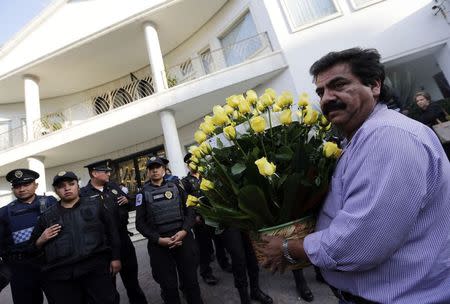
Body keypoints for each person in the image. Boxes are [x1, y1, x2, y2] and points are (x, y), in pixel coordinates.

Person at [260, 48, 450, 303]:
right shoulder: (359, 138)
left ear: (374, 85)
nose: (327, 98)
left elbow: (361, 241)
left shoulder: (389, 137)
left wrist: (288, 248)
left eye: (338, 85)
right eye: (321, 91)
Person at [29, 171, 121, 304]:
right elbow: (31, 248)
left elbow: (112, 232)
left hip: (95, 269)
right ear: (56, 190)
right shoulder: (46, 217)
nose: (67, 188)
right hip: (64, 276)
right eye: (61, 186)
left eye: (71, 184)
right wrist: (40, 240)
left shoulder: (96, 205)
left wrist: (116, 258)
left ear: (78, 186)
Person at [136, 156, 203, 304]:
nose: (155, 170)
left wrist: (184, 231)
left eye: (158, 167)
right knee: (169, 287)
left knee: (191, 282)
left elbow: (190, 211)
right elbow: (140, 223)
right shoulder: (142, 193)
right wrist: (158, 240)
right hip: (160, 243)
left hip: (183, 238)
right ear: (147, 172)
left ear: (164, 169)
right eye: (151, 168)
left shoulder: (177, 187)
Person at [80, 159, 147, 304]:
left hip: (123, 240)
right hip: (103, 245)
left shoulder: (113, 186)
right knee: (108, 289)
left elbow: (129, 202)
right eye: (105, 171)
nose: (109, 173)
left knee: (133, 283)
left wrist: (127, 200)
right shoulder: (83, 194)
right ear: (94, 173)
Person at [0, 169, 57, 304]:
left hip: (51, 263)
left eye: (26, 184)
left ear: (35, 185)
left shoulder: (50, 202)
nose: (22, 189)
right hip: (21, 269)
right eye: (17, 186)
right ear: (13, 189)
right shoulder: (4, 212)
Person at [181, 153, 219, 285]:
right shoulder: (185, 182)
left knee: (219, 241)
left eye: (195, 160)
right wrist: (194, 216)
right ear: (187, 165)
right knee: (204, 247)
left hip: (214, 214)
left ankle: (224, 263)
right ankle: (206, 273)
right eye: (190, 162)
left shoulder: (205, 174)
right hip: (200, 217)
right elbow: (186, 201)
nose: (193, 163)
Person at [414, 91, 450, 159]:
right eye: (417, 101)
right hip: (439, 139)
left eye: (421, 99)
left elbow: (429, 117)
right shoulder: (422, 111)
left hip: (445, 136)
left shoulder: (434, 106)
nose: (419, 102)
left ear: (428, 100)